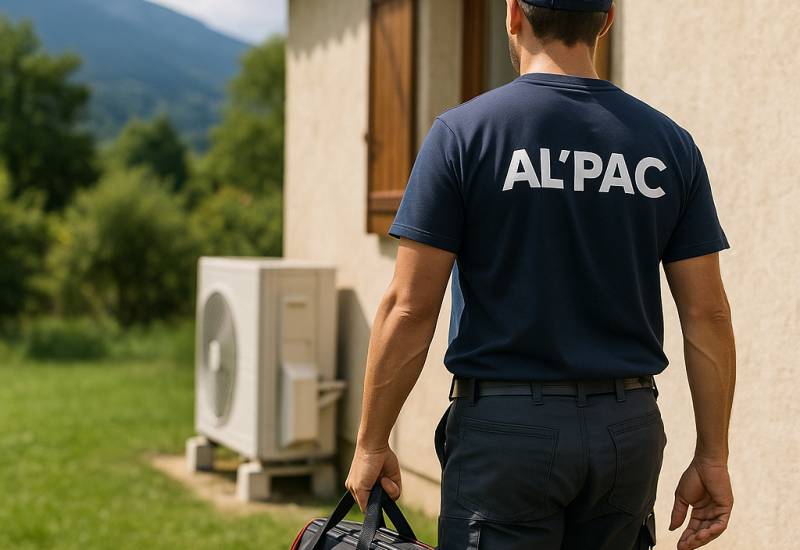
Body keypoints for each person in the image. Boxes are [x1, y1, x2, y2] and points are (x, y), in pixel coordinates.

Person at [345, 1, 736, 548]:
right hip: (627, 430)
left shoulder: (464, 134)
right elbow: (707, 313)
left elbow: (409, 307)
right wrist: (712, 455)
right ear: (605, 21)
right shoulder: (669, 145)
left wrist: (370, 443)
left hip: (506, 434)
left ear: (512, 15)